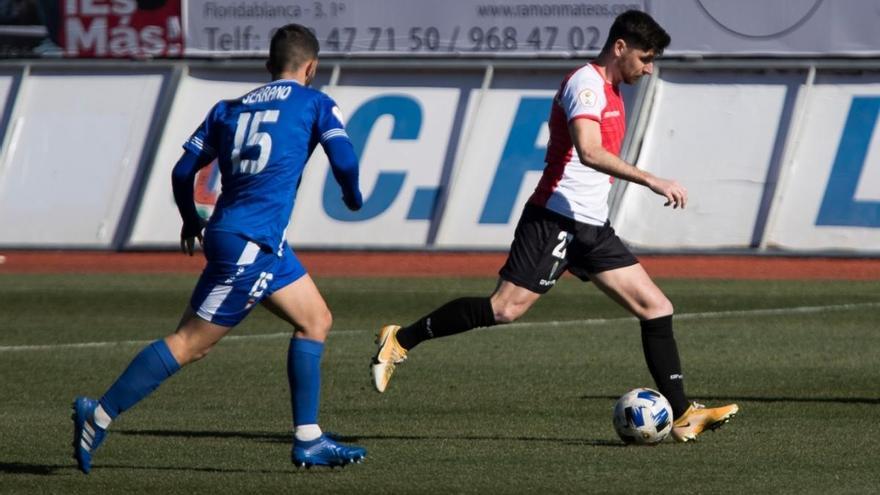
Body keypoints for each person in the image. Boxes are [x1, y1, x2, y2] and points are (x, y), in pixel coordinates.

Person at [371, 10, 738, 443]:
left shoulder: (614, 90)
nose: (649, 69)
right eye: (645, 58)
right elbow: (588, 151)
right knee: (505, 309)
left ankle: (682, 414)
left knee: (656, 307)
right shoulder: (585, 84)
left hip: (591, 226)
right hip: (555, 218)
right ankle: (401, 339)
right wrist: (651, 179)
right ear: (620, 47)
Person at [72, 24, 367, 473]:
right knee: (190, 344)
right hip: (250, 243)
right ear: (311, 68)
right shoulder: (315, 102)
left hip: (253, 239)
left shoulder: (228, 109)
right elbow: (344, 160)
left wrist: (191, 219)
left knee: (316, 320)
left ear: (269, 66)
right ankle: (99, 415)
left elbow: (181, 171)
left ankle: (309, 438)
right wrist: (353, 197)